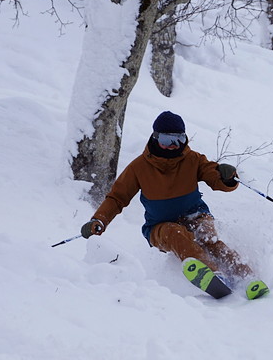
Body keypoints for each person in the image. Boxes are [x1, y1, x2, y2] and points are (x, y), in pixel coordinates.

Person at [80, 110, 257, 290]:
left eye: (178, 139)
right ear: (156, 138)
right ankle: (213, 276)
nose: (173, 146)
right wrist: (99, 219)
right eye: (167, 140)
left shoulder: (193, 159)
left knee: (207, 237)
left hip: (195, 215)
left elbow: (215, 177)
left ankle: (247, 276)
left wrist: (227, 177)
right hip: (159, 227)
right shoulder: (139, 167)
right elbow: (117, 197)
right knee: (176, 234)